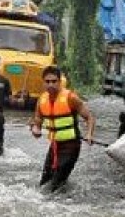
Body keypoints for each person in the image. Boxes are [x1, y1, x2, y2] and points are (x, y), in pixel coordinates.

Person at [29, 65, 95, 193]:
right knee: (44, 183)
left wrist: (89, 134)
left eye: (54, 81)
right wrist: (35, 129)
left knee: (54, 186)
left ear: (59, 82)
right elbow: (37, 119)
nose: (51, 85)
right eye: (47, 82)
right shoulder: (41, 100)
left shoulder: (71, 98)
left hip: (71, 146)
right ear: (43, 83)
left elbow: (89, 117)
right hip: (54, 146)